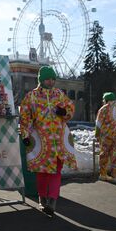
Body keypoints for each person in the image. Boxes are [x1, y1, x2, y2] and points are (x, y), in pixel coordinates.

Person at [19, 66, 77, 216]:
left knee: (56, 171)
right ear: (41, 79)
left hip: (58, 141)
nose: (50, 82)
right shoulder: (31, 97)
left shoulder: (59, 94)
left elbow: (70, 107)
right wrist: (25, 135)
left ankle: (52, 200)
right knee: (42, 173)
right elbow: (24, 117)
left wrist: (65, 112)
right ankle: (42, 197)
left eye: (53, 79)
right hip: (41, 142)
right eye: (47, 79)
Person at [95, 92, 116, 184]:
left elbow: (98, 123)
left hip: (106, 136)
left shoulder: (103, 109)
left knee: (104, 155)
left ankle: (103, 174)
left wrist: (97, 134)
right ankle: (115, 176)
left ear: (106, 100)